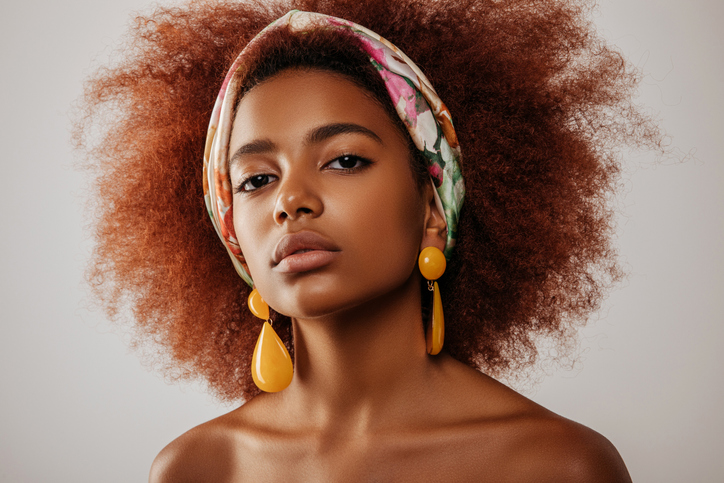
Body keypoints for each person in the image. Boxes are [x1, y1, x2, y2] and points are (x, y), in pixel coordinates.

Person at [75, 0, 659, 480]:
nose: (289, 200)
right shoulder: (198, 469)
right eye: (256, 179)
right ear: (231, 233)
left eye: (344, 160)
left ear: (434, 207)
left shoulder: (556, 467)